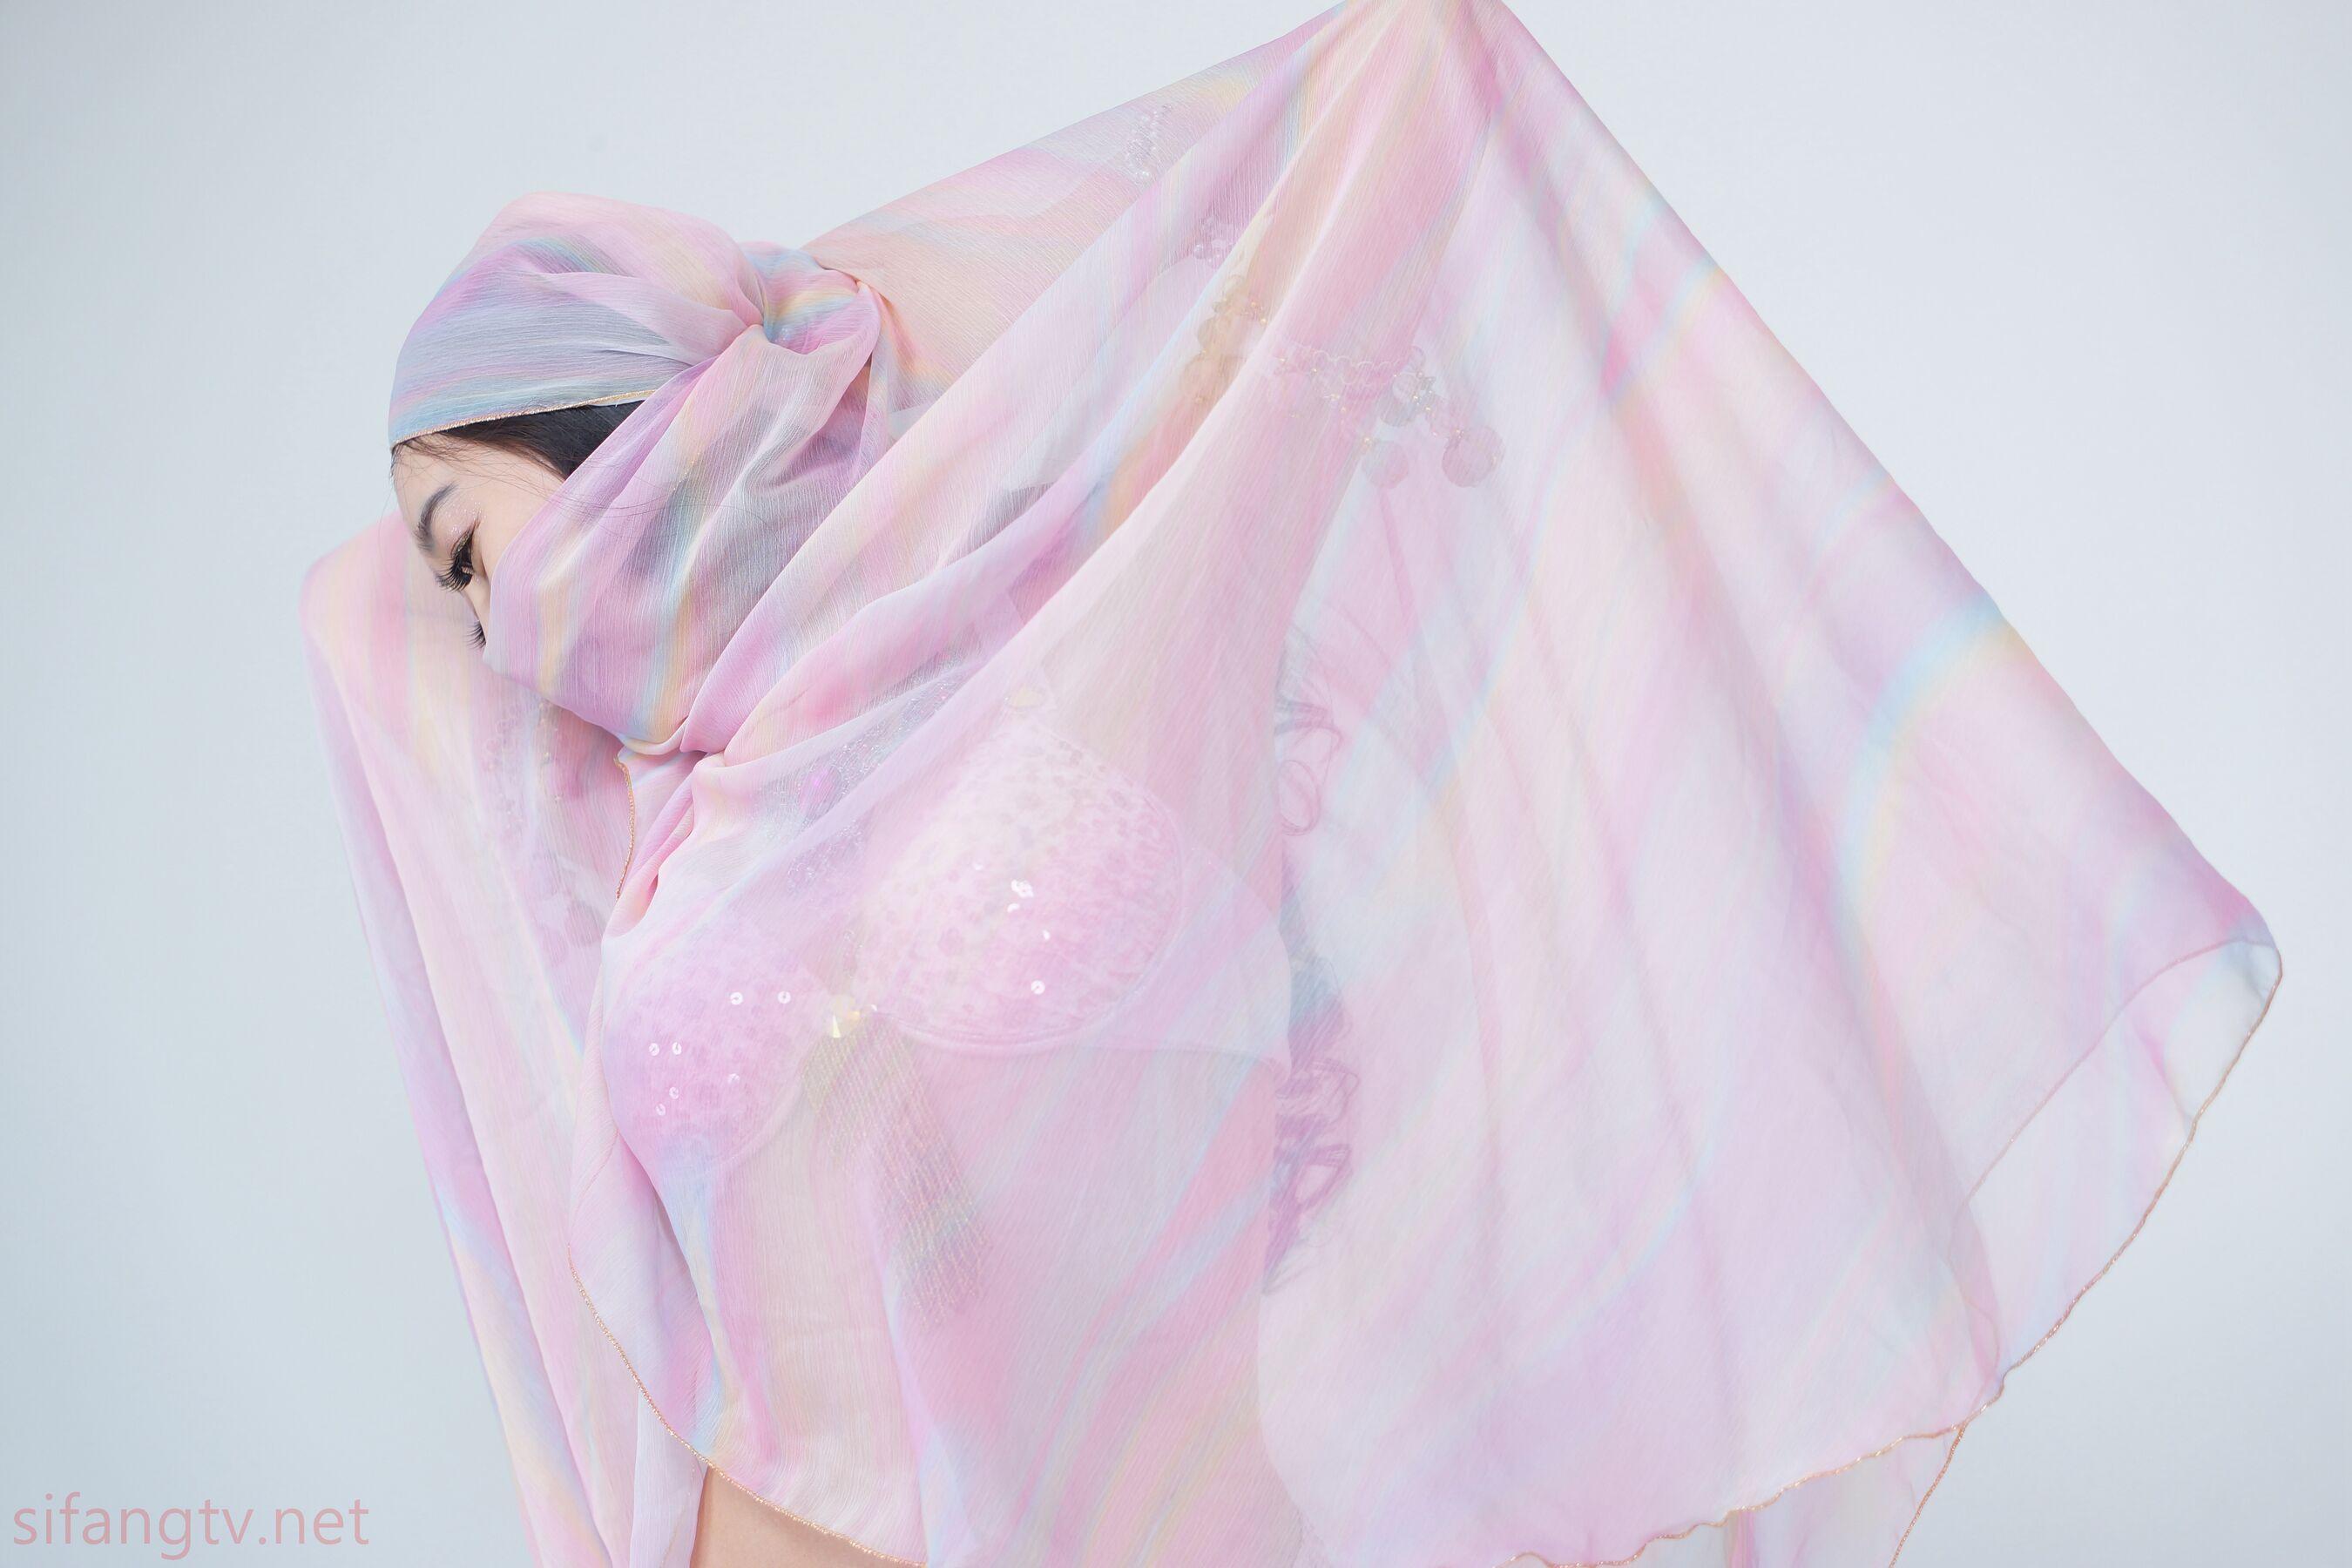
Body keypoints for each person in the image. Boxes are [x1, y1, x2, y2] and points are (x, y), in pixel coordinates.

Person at [306, 0, 2282, 1563]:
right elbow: (371, 638)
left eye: (471, 556)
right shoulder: (660, 827)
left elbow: (1398, 112)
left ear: (640, 441)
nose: (484, 640)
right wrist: (413, 561)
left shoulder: (1093, 613)